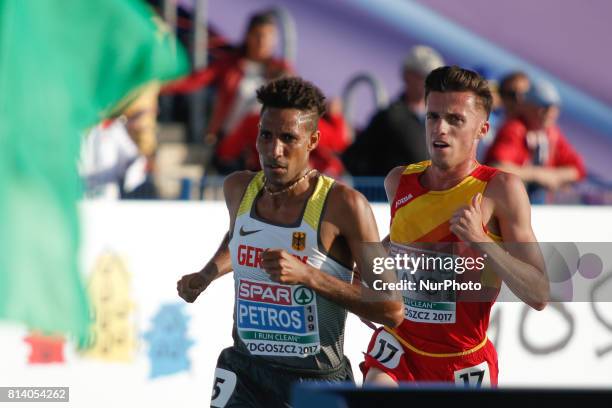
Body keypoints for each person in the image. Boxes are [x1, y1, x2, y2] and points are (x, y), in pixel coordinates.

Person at [177, 77, 403, 407]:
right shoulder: (238, 189)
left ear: (312, 140)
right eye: (265, 136)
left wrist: (308, 275)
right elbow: (238, 235)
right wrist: (208, 273)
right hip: (246, 371)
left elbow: (392, 307)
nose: (274, 150)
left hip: (315, 382)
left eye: (288, 139)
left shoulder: (346, 206)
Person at [361, 66, 549, 386]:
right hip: (399, 349)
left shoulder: (501, 190)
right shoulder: (399, 181)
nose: (440, 129)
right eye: (432, 117)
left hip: (462, 362)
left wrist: (481, 241)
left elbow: (539, 293)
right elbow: (396, 247)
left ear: (482, 129)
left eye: (455, 120)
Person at [162, 10, 291, 144]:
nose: (263, 42)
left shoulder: (282, 70)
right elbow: (196, 80)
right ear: (248, 36)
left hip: (264, 144)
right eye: (258, 35)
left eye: (269, 36)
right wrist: (159, 85)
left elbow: (297, 101)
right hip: (227, 140)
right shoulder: (230, 64)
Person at [342, 45, 444, 176]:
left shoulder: (441, 119)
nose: (431, 83)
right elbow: (354, 159)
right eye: (425, 76)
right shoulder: (390, 118)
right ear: (407, 76)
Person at [485, 78, 586, 203]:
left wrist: (554, 176)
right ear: (527, 106)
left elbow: (577, 169)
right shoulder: (515, 129)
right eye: (543, 107)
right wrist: (537, 175)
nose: (549, 113)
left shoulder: (551, 134)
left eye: (554, 108)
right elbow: (496, 167)